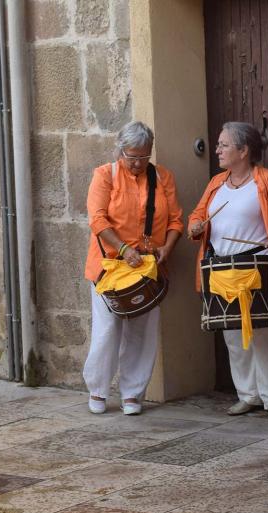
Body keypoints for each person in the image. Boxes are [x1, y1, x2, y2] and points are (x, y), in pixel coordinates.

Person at [188, 122, 268, 419]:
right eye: (219, 145)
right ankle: (247, 394)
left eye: (224, 145)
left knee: (265, 335)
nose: (218, 150)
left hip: (259, 267)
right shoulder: (216, 183)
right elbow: (198, 215)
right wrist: (195, 227)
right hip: (222, 268)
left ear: (243, 150)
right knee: (233, 337)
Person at [82, 121, 183, 416]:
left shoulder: (163, 177)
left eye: (144, 156)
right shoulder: (105, 176)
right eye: (132, 156)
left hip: (148, 266)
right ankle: (98, 389)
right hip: (110, 266)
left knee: (143, 330)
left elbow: (176, 219)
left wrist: (168, 247)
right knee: (108, 329)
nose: (138, 163)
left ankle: (132, 393)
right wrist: (124, 249)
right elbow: (98, 220)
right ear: (120, 150)